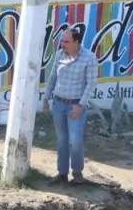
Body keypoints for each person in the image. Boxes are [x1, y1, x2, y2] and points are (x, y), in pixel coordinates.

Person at [42, 28, 98, 185]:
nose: (62, 44)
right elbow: (52, 77)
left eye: (66, 41)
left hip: (75, 106)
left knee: (75, 140)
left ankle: (77, 173)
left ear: (76, 42)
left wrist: (80, 105)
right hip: (59, 104)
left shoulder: (89, 58)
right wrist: (46, 99)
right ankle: (62, 173)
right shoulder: (60, 55)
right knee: (61, 140)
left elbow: (91, 84)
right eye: (62, 41)